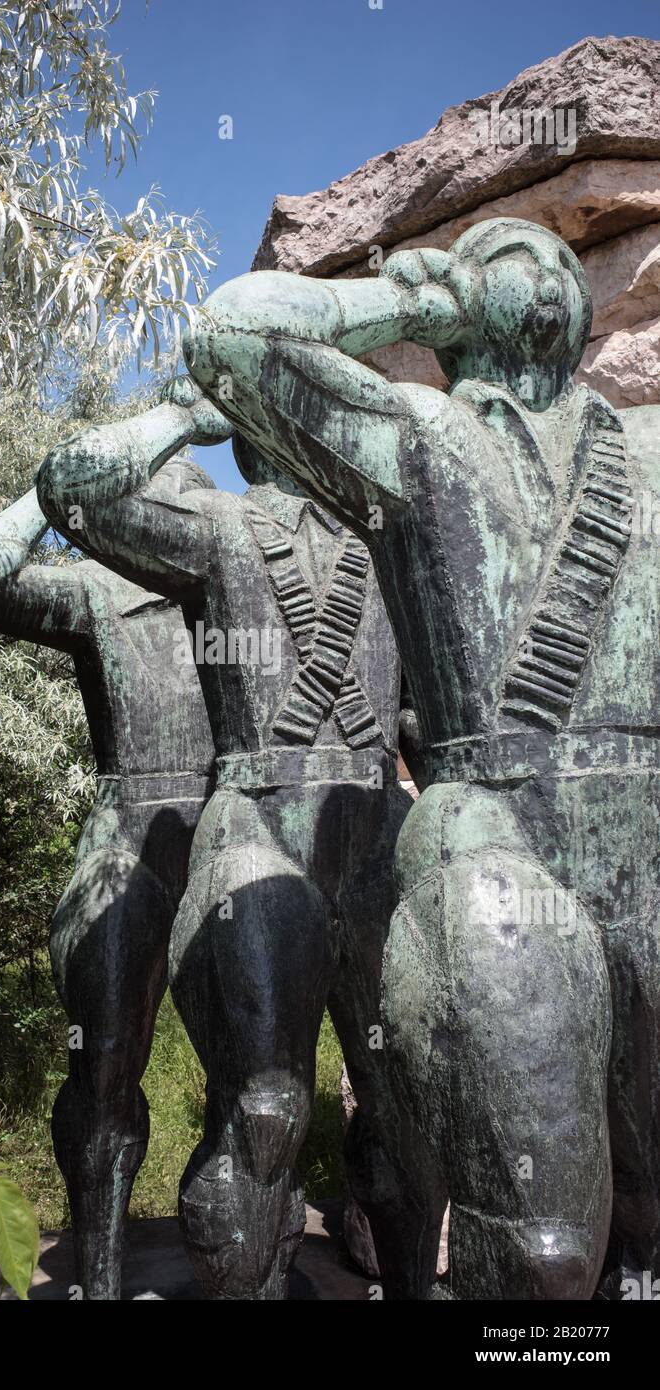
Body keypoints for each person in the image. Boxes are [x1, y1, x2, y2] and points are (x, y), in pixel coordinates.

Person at [174, 215, 660, 1300]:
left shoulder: (648, 445)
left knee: (648, 1215)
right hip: (491, 826)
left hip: (649, 833)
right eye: (505, 259)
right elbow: (230, 337)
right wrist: (402, 307)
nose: (539, 273)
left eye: (555, 262)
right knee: (541, 1250)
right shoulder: (420, 434)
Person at [36, 380, 445, 1300]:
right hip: (259, 831)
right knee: (263, 1108)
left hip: (375, 836)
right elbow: (72, 490)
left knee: (405, 1094)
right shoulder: (222, 532)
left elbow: (426, 714)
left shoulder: (393, 548)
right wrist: (184, 414)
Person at [0, 461, 215, 1300]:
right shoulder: (100, 590)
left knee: (258, 1079)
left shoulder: (245, 578)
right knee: (102, 1066)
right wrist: (50, 486)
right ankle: (98, 1277)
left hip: (230, 834)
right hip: (128, 835)